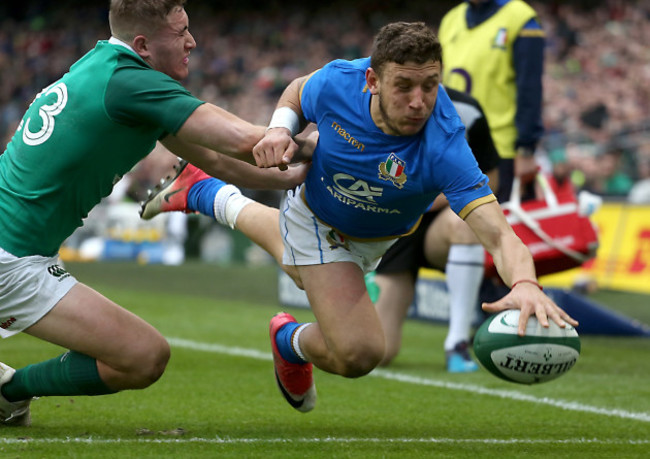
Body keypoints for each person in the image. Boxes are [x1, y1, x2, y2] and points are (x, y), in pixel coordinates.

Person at [141, 21, 578, 414]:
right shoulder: (339, 81)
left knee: (299, 269)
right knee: (360, 353)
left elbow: (499, 235)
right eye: (404, 86)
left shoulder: (445, 143)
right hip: (316, 212)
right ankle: (289, 343)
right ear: (372, 80)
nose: (418, 101)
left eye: (430, 85)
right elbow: (297, 89)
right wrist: (278, 127)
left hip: (382, 238)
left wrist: (524, 283)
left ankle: (204, 191)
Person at [0, 0, 310, 426]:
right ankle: (8, 393)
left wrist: (298, 177)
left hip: (15, 249)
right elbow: (244, 140)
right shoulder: (134, 84)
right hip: (11, 258)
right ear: (143, 45)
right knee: (143, 356)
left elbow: (219, 162)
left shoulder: (104, 65)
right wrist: (342, 148)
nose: (192, 41)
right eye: (180, 32)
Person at [369, 87, 500, 371]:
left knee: (466, 223)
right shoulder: (366, 102)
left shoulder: (467, 110)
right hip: (390, 227)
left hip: (438, 223)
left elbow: (492, 177)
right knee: (376, 352)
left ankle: (457, 345)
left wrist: (430, 201)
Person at [438, 0, 545, 202]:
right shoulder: (451, 19)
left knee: (502, 226)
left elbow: (530, 88)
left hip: (501, 150)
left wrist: (526, 149)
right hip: (456, 146)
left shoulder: (521, 18)